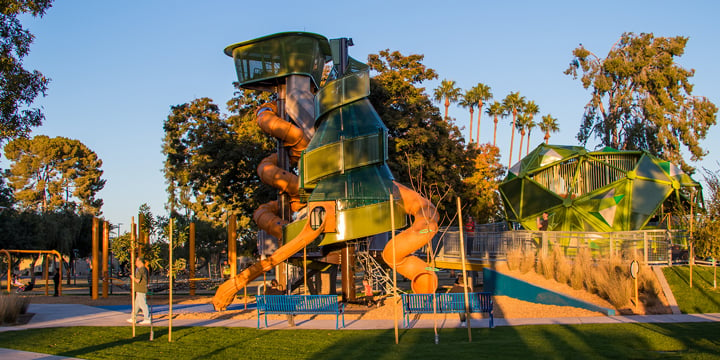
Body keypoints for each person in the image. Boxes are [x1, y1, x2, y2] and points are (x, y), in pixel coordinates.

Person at [127, 257, 151, 325]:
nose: (135, 263)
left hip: (141, 289)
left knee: (143, 304)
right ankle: (133, 318)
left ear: (140, 262)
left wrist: (132, 278)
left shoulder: (141, 269)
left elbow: (137, 280)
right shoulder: (144, 269)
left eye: (136, 261)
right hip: (139, 289)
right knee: (136, 305)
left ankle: (147, 318)